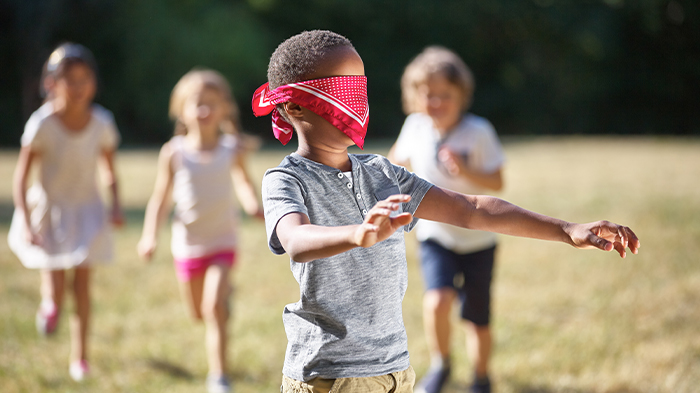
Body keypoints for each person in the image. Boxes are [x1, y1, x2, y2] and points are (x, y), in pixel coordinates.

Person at [253, 30, 639, 393]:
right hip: (328, 377)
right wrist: (357, 233)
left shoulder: (383, 174)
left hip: (395, 371)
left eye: (359, 88)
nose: (354, 102)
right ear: (292, 106)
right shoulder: (285, 179)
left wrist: (566, 229)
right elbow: (296, 240)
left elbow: (472, 209)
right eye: (340, 90)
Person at [137, 69, 263, 393]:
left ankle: (218, 376)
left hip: (223, 240)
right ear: (182, 110)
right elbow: (160, 200)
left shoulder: (231, 149)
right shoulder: (174, 153)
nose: (204, 110)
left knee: (212, 309)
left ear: (224, 109)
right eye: (197, 104)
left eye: (211, 103)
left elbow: (243, 183)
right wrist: (150, 236)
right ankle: (223, 300)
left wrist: (252, 205)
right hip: (188, 245)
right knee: (197, 313)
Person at [388, 46, 504, 393]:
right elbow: (394, 165)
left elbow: (497, 181)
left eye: (445, 95)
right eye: (428, 95)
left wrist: (467, 169)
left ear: (462, 95)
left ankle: (481, 376)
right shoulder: (415, 126)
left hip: (479, 240)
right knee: (437, 301)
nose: (436, 103)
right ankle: (441, 365)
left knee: (477, 318)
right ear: (414, 96)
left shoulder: (478, 131)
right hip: (435, 235)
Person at [8, 43, 124, 382]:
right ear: (52, 84)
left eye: (84, 78)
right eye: (68, 79)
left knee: (83, 287)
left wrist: (115, 204)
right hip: (50, 213)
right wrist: (27, 222)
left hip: (86, 211)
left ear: (94, 82)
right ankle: (49, 305)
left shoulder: (102, 122)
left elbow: (109, 170)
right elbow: (21, 176)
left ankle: (81, 357)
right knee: (56, 285)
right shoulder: (42, 123)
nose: (77, 86)